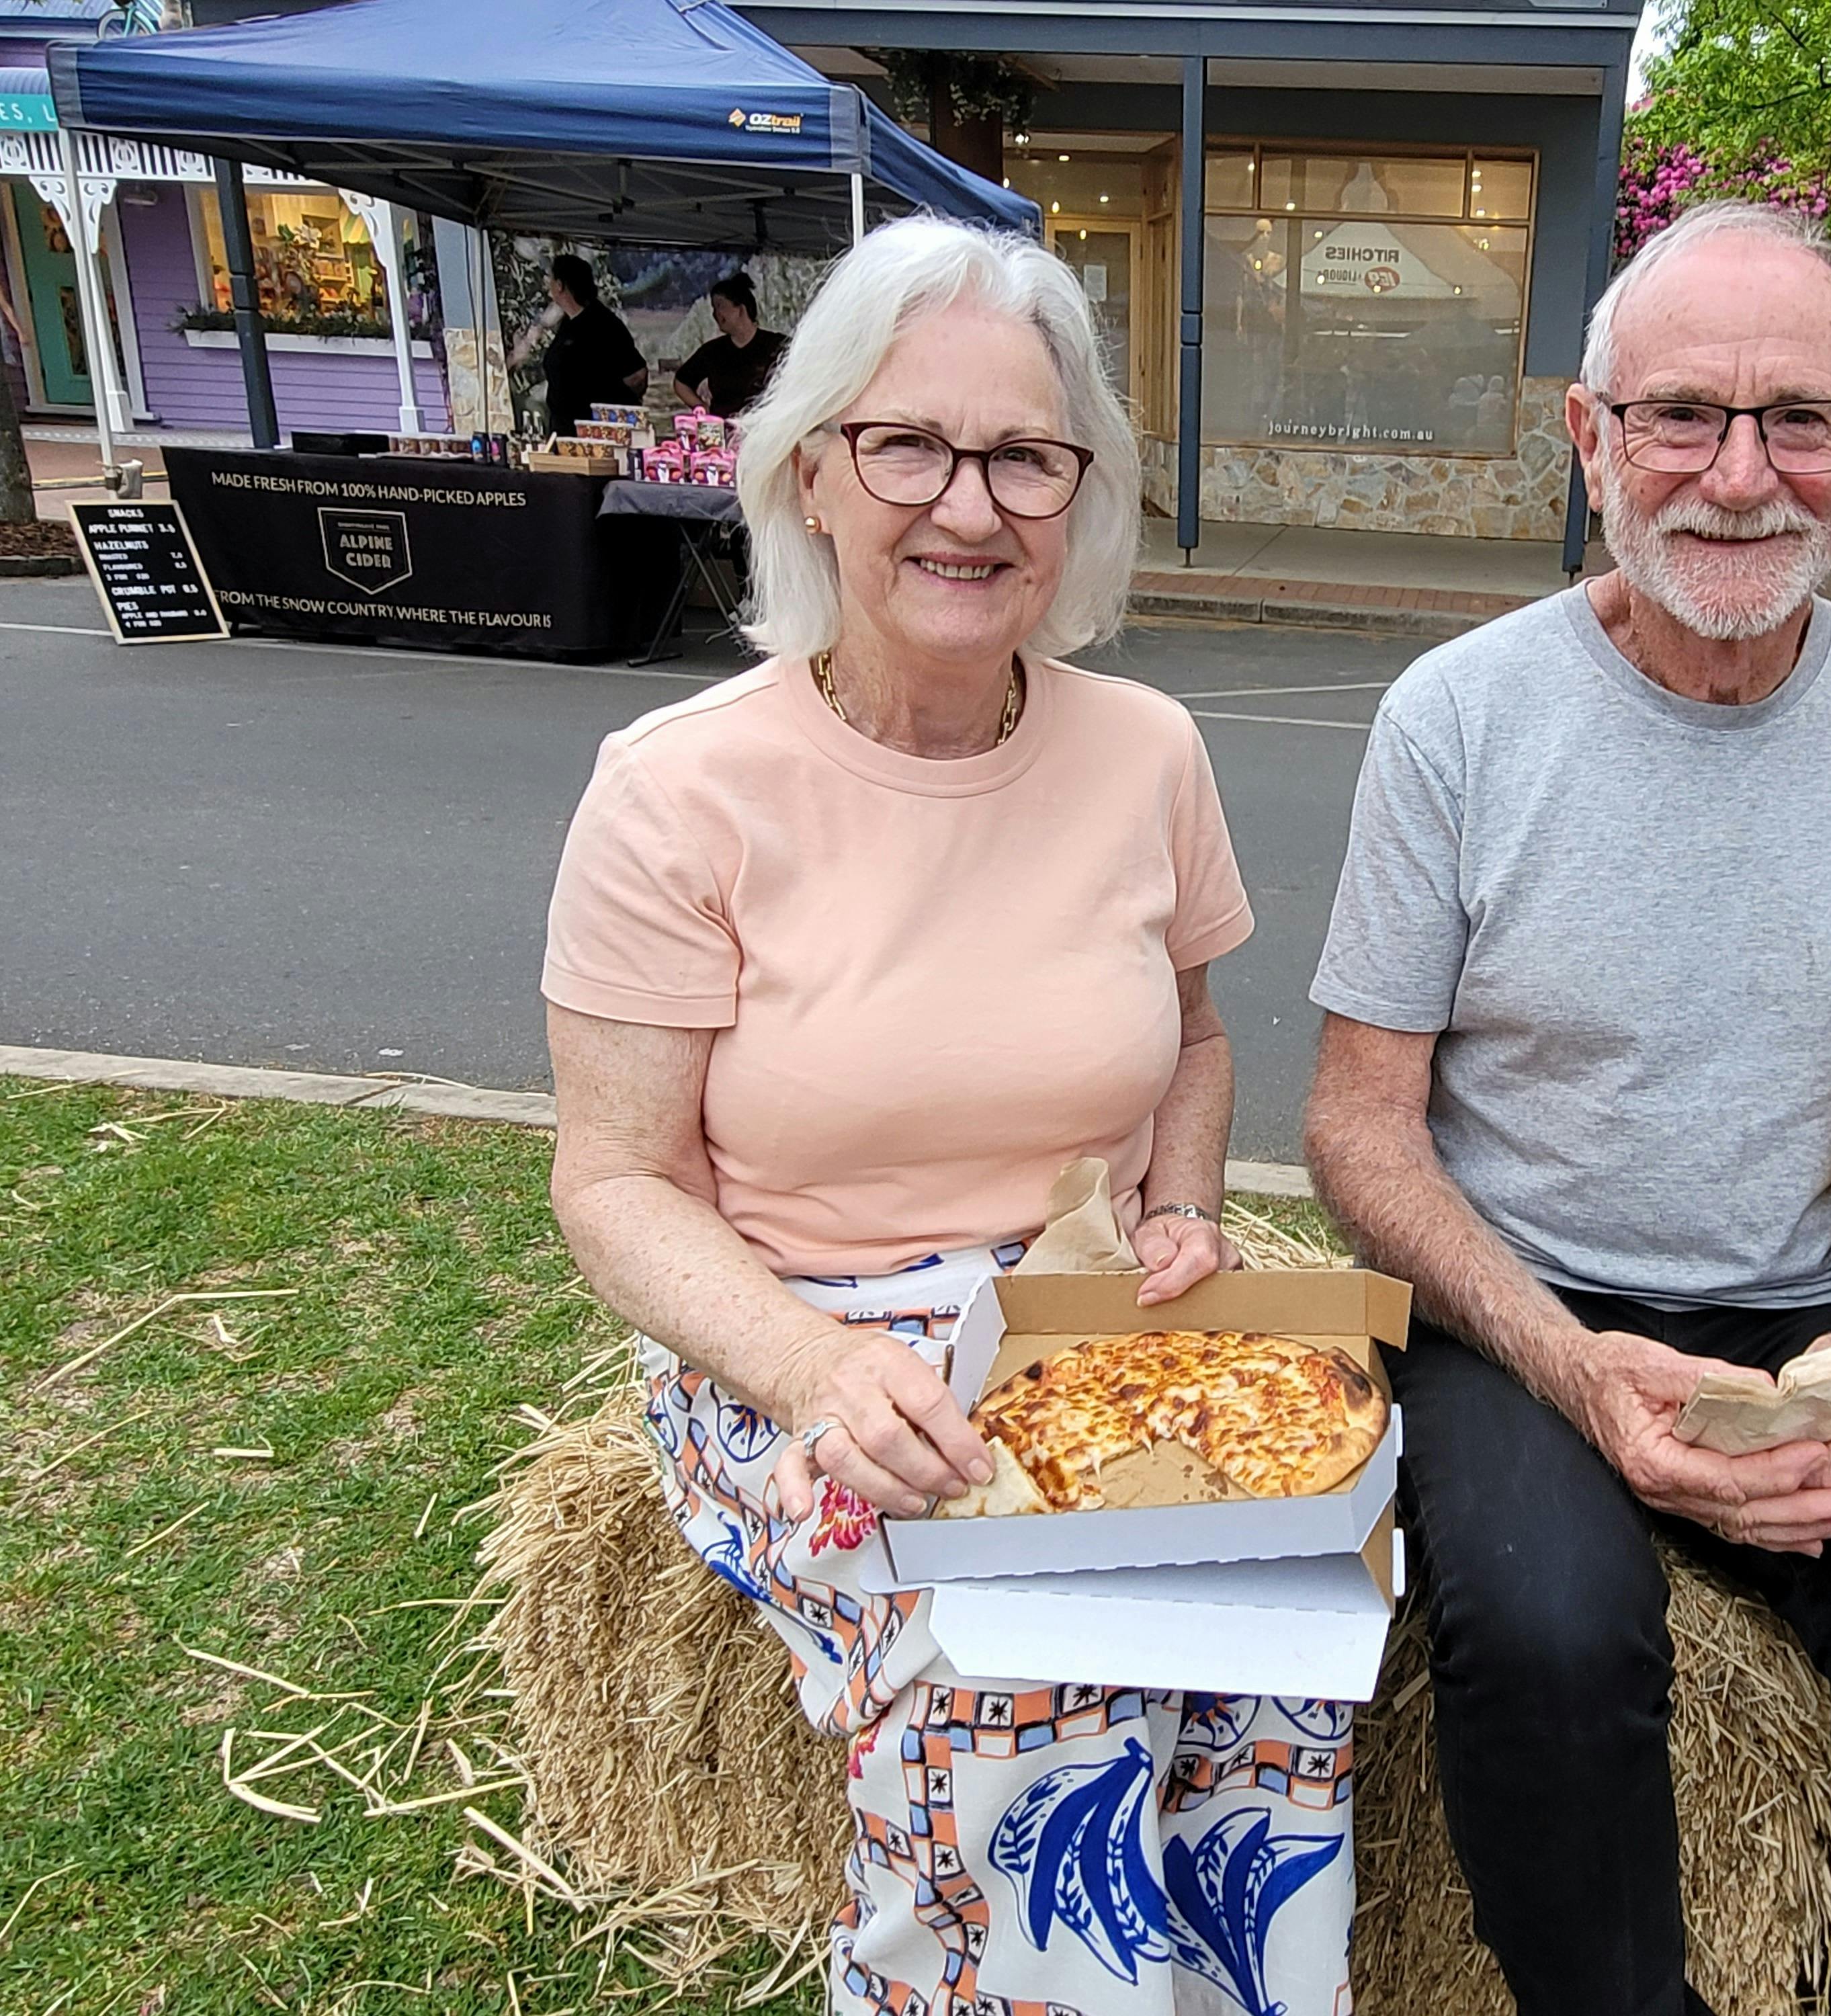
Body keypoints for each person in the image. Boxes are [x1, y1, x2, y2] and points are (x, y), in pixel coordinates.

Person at [540, 218, 1352, 2016]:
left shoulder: (1147, 752)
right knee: (1027, 1670)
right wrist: (814, 1373)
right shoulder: (677, 794)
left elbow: (1200, 1039)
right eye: (910, 444)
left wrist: (1187, 1207)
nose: (968, 506)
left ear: (1082, 497)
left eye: (1024, 456)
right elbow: (613, 1184)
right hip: (807, 1351)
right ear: (812, 470)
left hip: (1077, 1316)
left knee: (1280, 1644)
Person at [1303, 200, 1831, 2016]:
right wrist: (1575, 1368)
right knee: (1554, 1645)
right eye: (1682, 416)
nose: (1742, 478)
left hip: (1820, 1315)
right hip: (1522, 1308)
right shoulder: (1460, 722)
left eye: (1798, 420)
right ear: (1590, 435)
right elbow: (1359, 1121)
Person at [525, 253, 646, 438]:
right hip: (564, 429)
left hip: (594, 434)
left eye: (551, 279)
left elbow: (637, 375)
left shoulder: (603, 324)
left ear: (560, 286)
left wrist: (609, 405)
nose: (547, 284)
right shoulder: (567, 322)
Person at [673, 269, 788, 417]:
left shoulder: (777, 345)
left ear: (740, 309)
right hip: (722, 432)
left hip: (766, 430)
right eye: (714, 309)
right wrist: (700, 407)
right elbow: (682, 382)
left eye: (720, 306)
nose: (715, 314)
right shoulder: (713, 351)